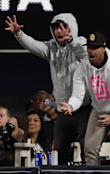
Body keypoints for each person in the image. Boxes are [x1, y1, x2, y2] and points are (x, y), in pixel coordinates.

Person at [5, 13, 89, 164]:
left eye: (63, 27)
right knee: (59, 150)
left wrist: (70, 40)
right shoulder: (51, 48)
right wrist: (18, 33)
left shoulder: (81, 43)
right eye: (56, 28)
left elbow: (85, 55)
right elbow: (34, 45)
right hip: (63, 110)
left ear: (72, 27)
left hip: (83, 109)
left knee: (86, 148)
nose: (59, 31)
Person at [60, 32, 110, 166]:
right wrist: (71, 106)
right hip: (100, 108)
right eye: (89, 47)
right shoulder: (82, 68)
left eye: (95, 48)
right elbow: (77, 95)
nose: (91, 51)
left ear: (103, 49)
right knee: (89, 148)